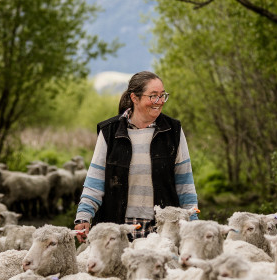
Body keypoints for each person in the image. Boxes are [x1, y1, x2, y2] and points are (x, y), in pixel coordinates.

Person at [74, 71, 199, 242]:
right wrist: (83, 216)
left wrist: (192, 222)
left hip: (162, 230)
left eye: (162, 95)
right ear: (134, 97)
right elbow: (95, 181)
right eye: (153, 96)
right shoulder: (110, 132)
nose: (160, 101)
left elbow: (185, 183)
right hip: (118, 229)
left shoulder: (173, 131)